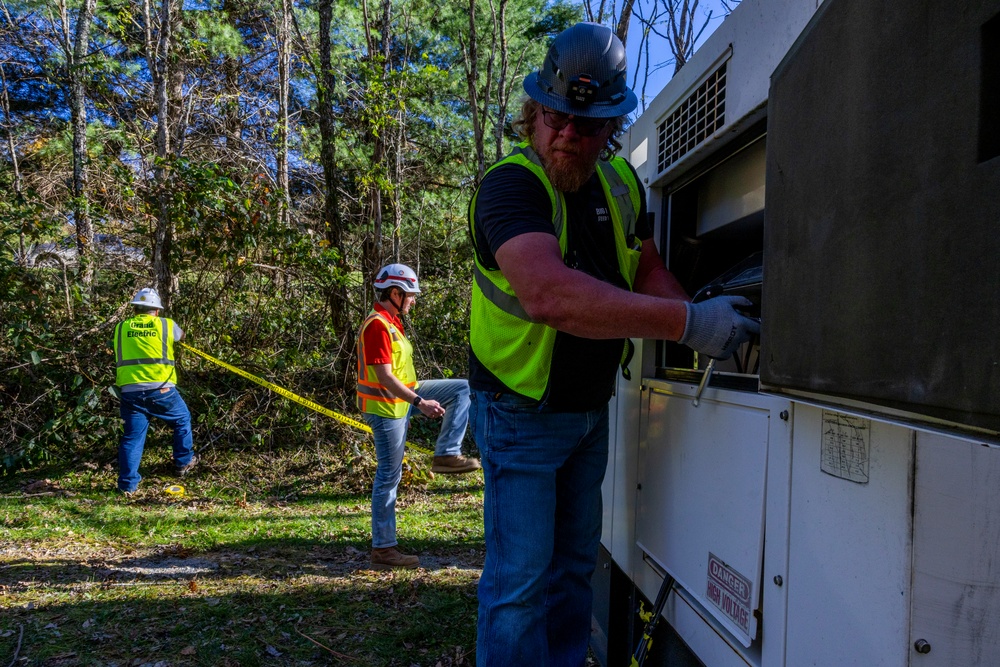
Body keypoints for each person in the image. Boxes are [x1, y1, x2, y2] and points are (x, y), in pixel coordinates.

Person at [467, 22, 760, 666]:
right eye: (555, 116)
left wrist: (700, 315)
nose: (568, 134)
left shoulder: (622, 185)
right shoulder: (512, 186)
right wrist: (686, 326)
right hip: (519, 412)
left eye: (588, 124)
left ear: (610, 127)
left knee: (574, 569)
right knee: (519, 585)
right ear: (535, 111)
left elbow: (647, 266)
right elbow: (549, 294)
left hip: (587, 413)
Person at [356, 263, 481, 570]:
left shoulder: (392, 322)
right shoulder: (377, 325)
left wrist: (415, 399)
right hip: (387, 408)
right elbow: (384, 377)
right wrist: (420, 401)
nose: (413, 300)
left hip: (404, 399)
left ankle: (447, 453)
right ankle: (383, 549)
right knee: (389, 475)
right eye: (410, 295)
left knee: (461, 389)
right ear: (395, 293)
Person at [112, 288, 197, 495]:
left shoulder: (121, 327)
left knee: (132, 437)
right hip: (162, 389)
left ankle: (127, 486)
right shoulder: (166, 325)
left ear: (135, 309)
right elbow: (182, 337)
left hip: (130, 392)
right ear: (156, 311)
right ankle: (183, 463)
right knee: (182, 419)